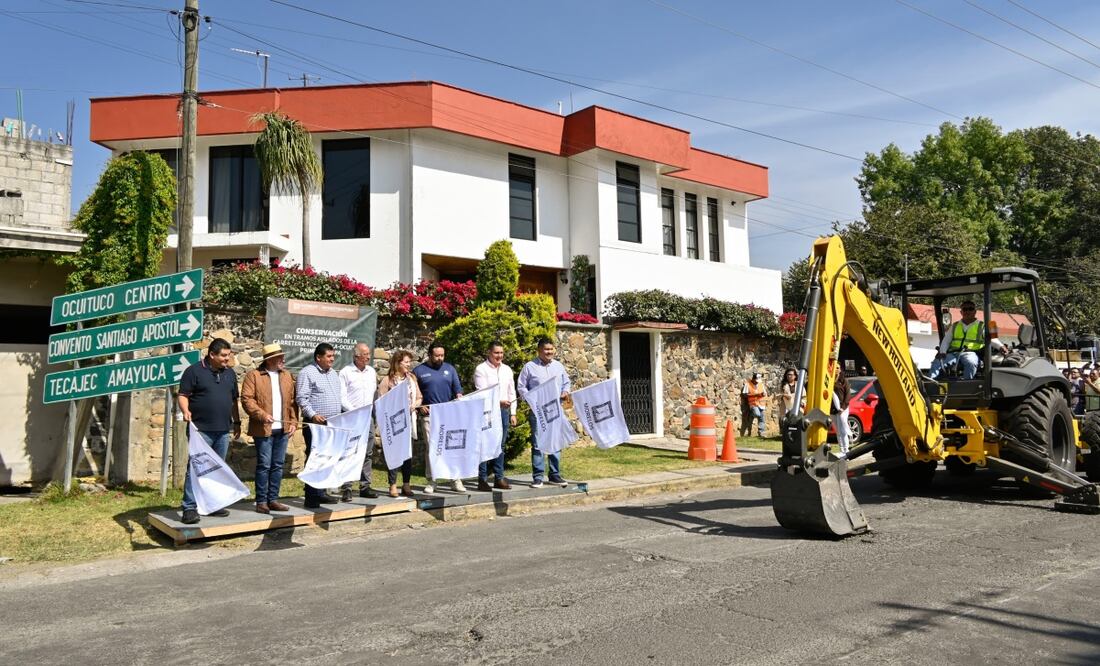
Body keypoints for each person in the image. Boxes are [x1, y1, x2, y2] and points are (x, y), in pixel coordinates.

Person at [177, 337, 242, 525]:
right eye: (223, 355)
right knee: (197, 467)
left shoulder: (229, 374)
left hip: (223, 430)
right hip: (201, 430)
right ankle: (189, 507)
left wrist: (236, 422)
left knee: (216, 468)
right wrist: (185, 410)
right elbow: (183, 395)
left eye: (229, 355)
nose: (227, 359)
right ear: (211, 354)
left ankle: (212, 504)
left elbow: (233, 401)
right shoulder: (194, 371)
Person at [240, 343, 298, 515]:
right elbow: (247, 399)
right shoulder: (254, 376)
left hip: (283, 428)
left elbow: (293, 402)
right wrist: (261, 414)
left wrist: (293, 421)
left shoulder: (287, 376)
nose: (283, 360)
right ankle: (261, 501)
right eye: (280, 357)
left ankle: (273, 499)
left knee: (278, 465)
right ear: (270, 360)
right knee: (264, 465)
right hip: (263, 428)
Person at [516, 337, 572, 489]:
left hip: (555, 410)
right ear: (539, 350)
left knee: (555, 441)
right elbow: (521, 386)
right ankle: (538, 477)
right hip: (538, 411)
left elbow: (566, 382)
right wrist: (531, 400)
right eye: (546, 349)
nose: (549, 352)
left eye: (551, 349)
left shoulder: (559, 366)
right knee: (538, 443)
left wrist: (565, 391)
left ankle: (554, 475)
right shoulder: (529, 367)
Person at [295, 342, 343, 509]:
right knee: (314, 458)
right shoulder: (307, 373)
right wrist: (313, 415)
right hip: (315, 424)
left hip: (332, 424)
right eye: (329, 356)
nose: (332, 359)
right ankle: (311, 496)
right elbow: (301, 398)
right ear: (318, 357)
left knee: (327, 458)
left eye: (333, 356)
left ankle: (321, 492)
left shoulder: (333, 374)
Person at [413, 341, 464, 493]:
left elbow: (458, 391)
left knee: (451, 447)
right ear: (429, 355)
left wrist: (459, 398)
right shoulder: (419, 371)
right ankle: (432, 480)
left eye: (442, 355)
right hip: (429, 415)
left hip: (448, 414)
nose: (440, 358)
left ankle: (455, 479)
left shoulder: (450, 369)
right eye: (437, 356)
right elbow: (414, 395)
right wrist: (420, 406)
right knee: (431, 448)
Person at [377, 349, 423, 498]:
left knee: (407, 454)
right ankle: (392, 485)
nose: (409, 365)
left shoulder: (411, 379)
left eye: (410, 362)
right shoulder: (387, 380)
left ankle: (406, 484)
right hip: (394, 423)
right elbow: (381, 402)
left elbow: (419, 397)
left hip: (409, 420)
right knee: (394, 453)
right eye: (406, 362)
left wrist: (414, 405)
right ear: (397, 363)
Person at [473, 340, 517, 492]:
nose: (499, 356)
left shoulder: (507, 370)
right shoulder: (481, 369)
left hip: (504, 412)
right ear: (489, 353)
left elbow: (512, 392)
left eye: (501, 353)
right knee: (485, 444)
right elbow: (482, 393)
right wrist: (498, 402)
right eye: (496, 353)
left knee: (500, 445)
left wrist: (513, 413)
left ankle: (499, 478)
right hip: (487, 412)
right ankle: (482, 479)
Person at [338, 342, 379, 500]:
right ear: (356, 356)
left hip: (367, 417)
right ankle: (347, 488)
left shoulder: (371, 372)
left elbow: (373, 395)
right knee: (349, 452)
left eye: (369, 353)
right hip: (351, 417)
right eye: (365, 354)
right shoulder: (345, 372)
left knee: (367, 452)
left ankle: (365, 486)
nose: (368, 356)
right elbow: (342, 397)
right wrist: (355, 411)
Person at [928, 300, 1004, 380]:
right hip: (953, 353)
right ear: (961, 312)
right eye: (965, 309)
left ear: (975, 311)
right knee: (937, 362)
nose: (967, 311)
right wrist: (942, 352)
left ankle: (966, 384)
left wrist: (1001, 347)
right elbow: (946, 340)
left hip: (971, 353)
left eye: (970, 309)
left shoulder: (982, 326)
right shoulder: (955, 325)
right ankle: (931, 383)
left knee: (971, 362)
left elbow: (992, 339)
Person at [831, 373, 852, 458]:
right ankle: (841, 450)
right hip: (832, 410)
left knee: (842, 429)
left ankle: (846, 450)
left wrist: (843, 407)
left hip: (842, 408)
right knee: (838, 431)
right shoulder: (830, 379)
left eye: (838, 367)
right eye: (835, 367)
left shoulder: (844, 381)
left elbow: (848, 395)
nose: (836, 369)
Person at [741, 371, 768, 438]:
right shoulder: (748, 384)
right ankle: (751, 415)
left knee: (762, 419)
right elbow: (744, 395)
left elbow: (764, 392)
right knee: (757, 414)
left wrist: (763, 394)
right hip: (753, 404)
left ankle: (761, 432)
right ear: (753, 378)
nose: (757, 382)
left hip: (761, 404)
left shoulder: (760, 384)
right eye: (756, 380)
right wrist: (755, 395)